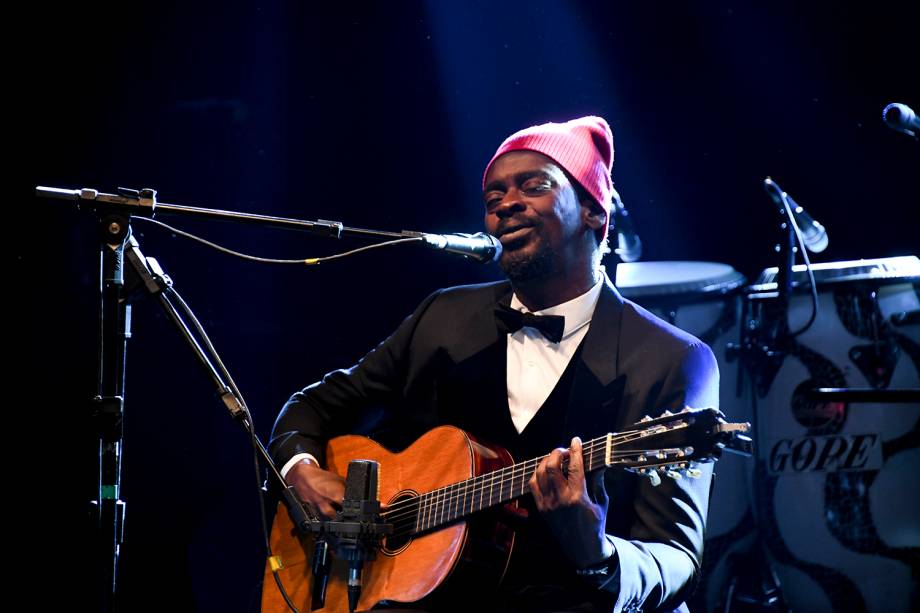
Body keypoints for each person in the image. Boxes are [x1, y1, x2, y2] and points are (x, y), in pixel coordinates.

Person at [269, 116, 719, 612]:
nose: (506, 204)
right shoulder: (443, 317)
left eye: (535, 186)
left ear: (593, 211)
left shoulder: (671, 359)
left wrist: (597, 553)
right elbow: (310, 407)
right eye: (493, 198)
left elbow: (677, 561)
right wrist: (300, 470)